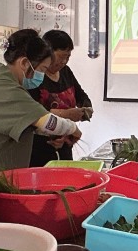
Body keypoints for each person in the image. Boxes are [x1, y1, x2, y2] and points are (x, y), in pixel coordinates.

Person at [0, 29, 81, 223]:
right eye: (42, 70)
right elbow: (48, 122)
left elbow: (30, 124)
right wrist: (73, 129)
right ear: (24, 63)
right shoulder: (5, 89)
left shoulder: (4, 84)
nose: (42, 76)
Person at [28, 30, 92, 166]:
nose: (64, 62)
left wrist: (85, 110)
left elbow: (81, 96)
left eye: (68, 57)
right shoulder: (35, 77)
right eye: (61, 57)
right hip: (40, 146)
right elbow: (35, 113)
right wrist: (66, 115)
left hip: (66, 141)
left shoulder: (66, 72)